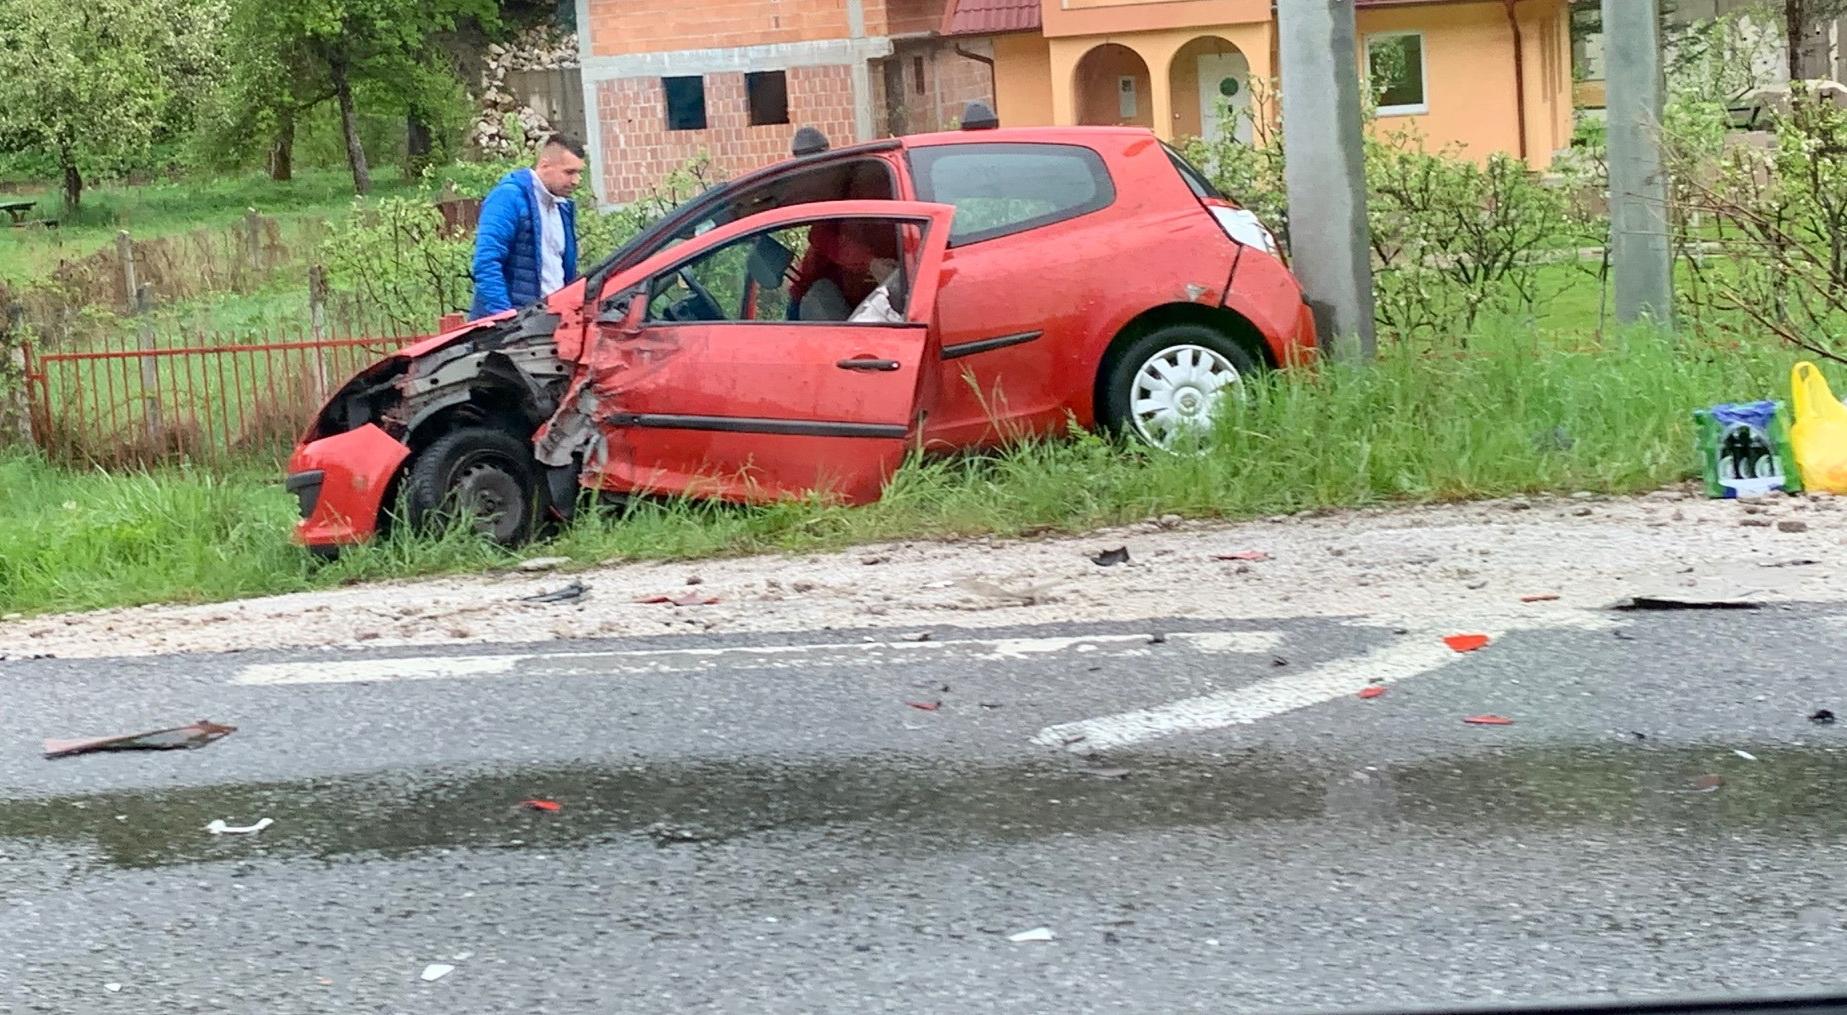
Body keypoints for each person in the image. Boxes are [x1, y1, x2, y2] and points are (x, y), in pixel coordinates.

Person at [467, 134, 586, 320]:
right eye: (569, 172)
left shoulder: (561, 206)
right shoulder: (508, 197)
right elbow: (487, 263)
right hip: (515, 329)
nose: (576, 180)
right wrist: (505, 319)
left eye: (579, 173)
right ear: (545, 165)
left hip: (551, 322)